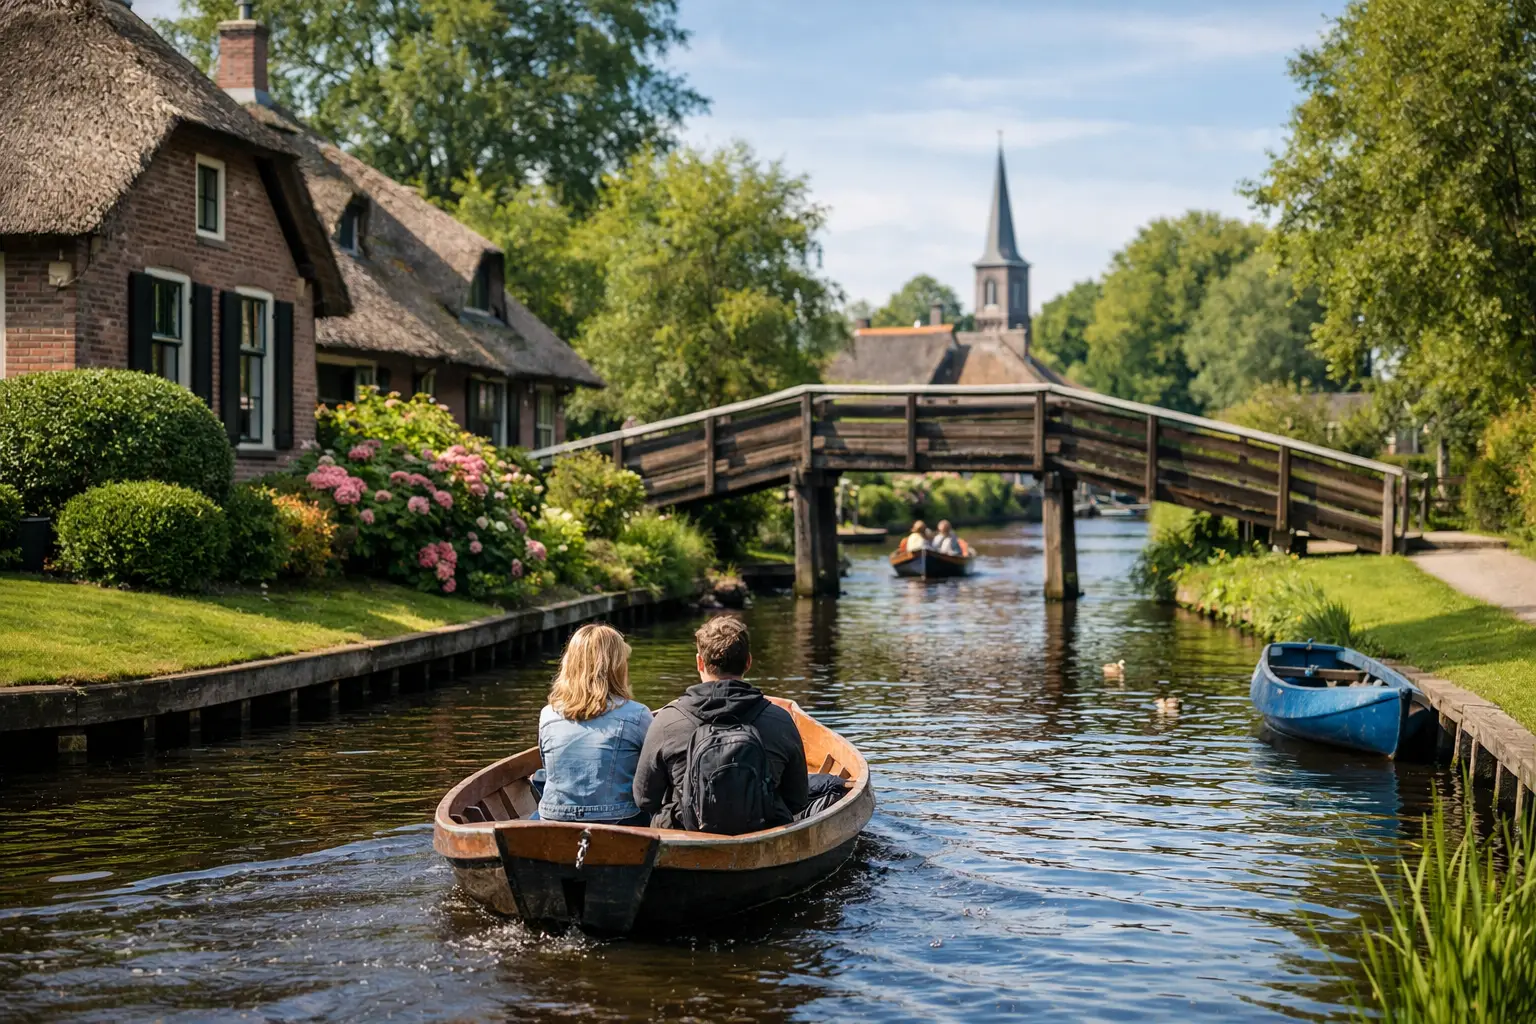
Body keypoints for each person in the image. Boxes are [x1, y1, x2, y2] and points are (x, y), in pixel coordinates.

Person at [634, 616, 845, 834]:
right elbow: (797, 800)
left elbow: (645, 800)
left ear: (699, 662)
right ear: (748, 662)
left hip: (687, 833)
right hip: (765, 832)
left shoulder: (667, 721)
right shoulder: (780, 719)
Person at [535, 623, 653, 826]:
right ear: (618, 665)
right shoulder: (638, 715)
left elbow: (547, 766)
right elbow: (651, 772)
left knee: (538, 779)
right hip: (619, 819)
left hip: (555, 818)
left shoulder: (548, 714)